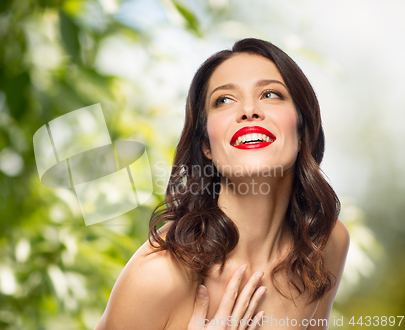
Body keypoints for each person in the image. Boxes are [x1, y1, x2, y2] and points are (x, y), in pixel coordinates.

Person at [96, 38, 350, 330]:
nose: (249, 109)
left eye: (270, 94)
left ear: (303, 129)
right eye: (224, 100)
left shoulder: (324, 245)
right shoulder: (158, 277)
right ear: (206, 144)